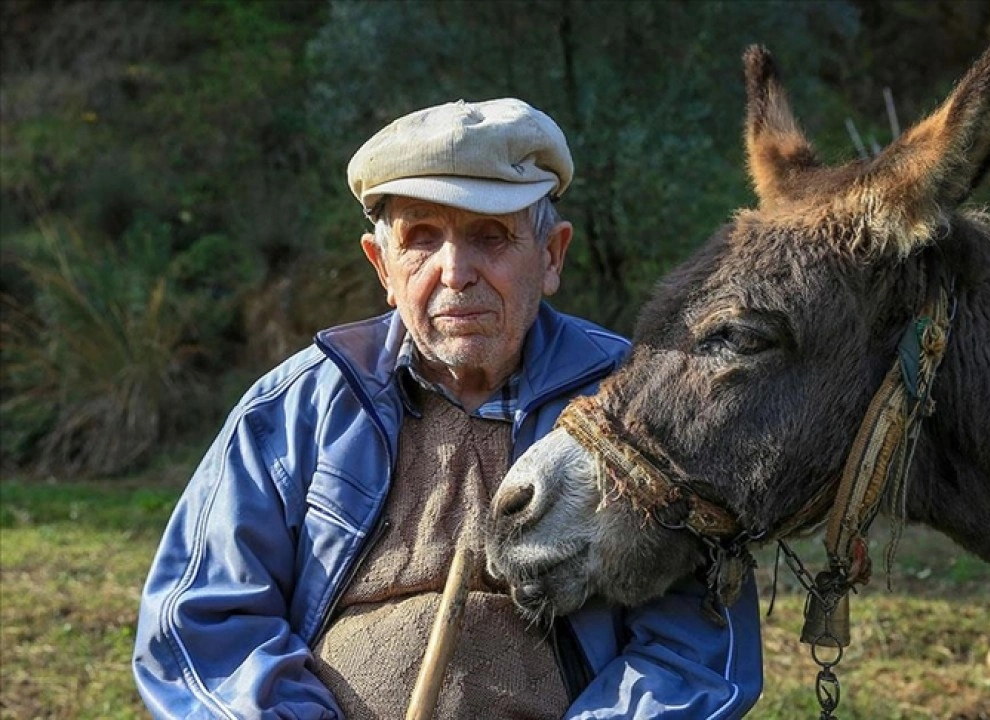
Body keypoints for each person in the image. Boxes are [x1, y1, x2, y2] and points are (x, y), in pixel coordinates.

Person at [132, 98, 763, 719]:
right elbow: (202, 624)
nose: (455, 272)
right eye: (421, 238)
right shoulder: (294, 409)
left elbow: (697, 649)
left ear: (551, 257)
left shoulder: (643, 409)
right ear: (382, 265)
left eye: (490, 237)